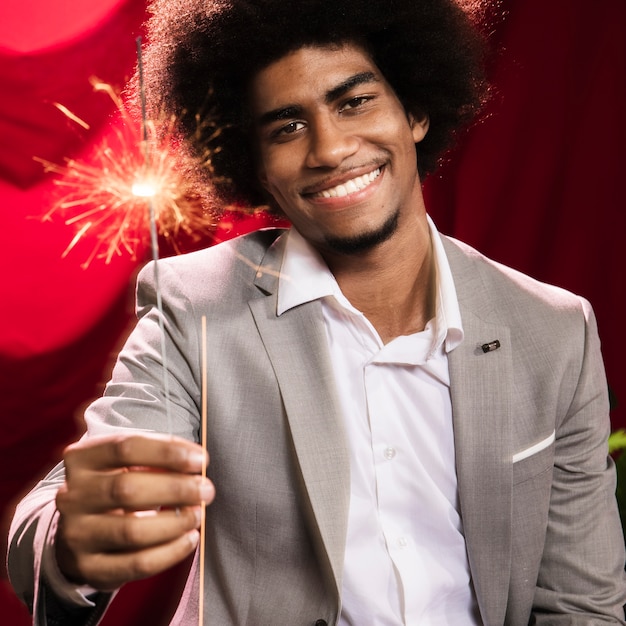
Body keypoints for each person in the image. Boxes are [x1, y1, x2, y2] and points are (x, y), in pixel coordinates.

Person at [8, 0, 626, 624]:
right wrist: (72, 546)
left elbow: (581, 604)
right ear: (254, 167)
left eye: (354, 102)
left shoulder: (554, 331)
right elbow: (61, 508)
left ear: (414, 110)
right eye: (286, 127)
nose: (329, 149)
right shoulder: (194, 307)